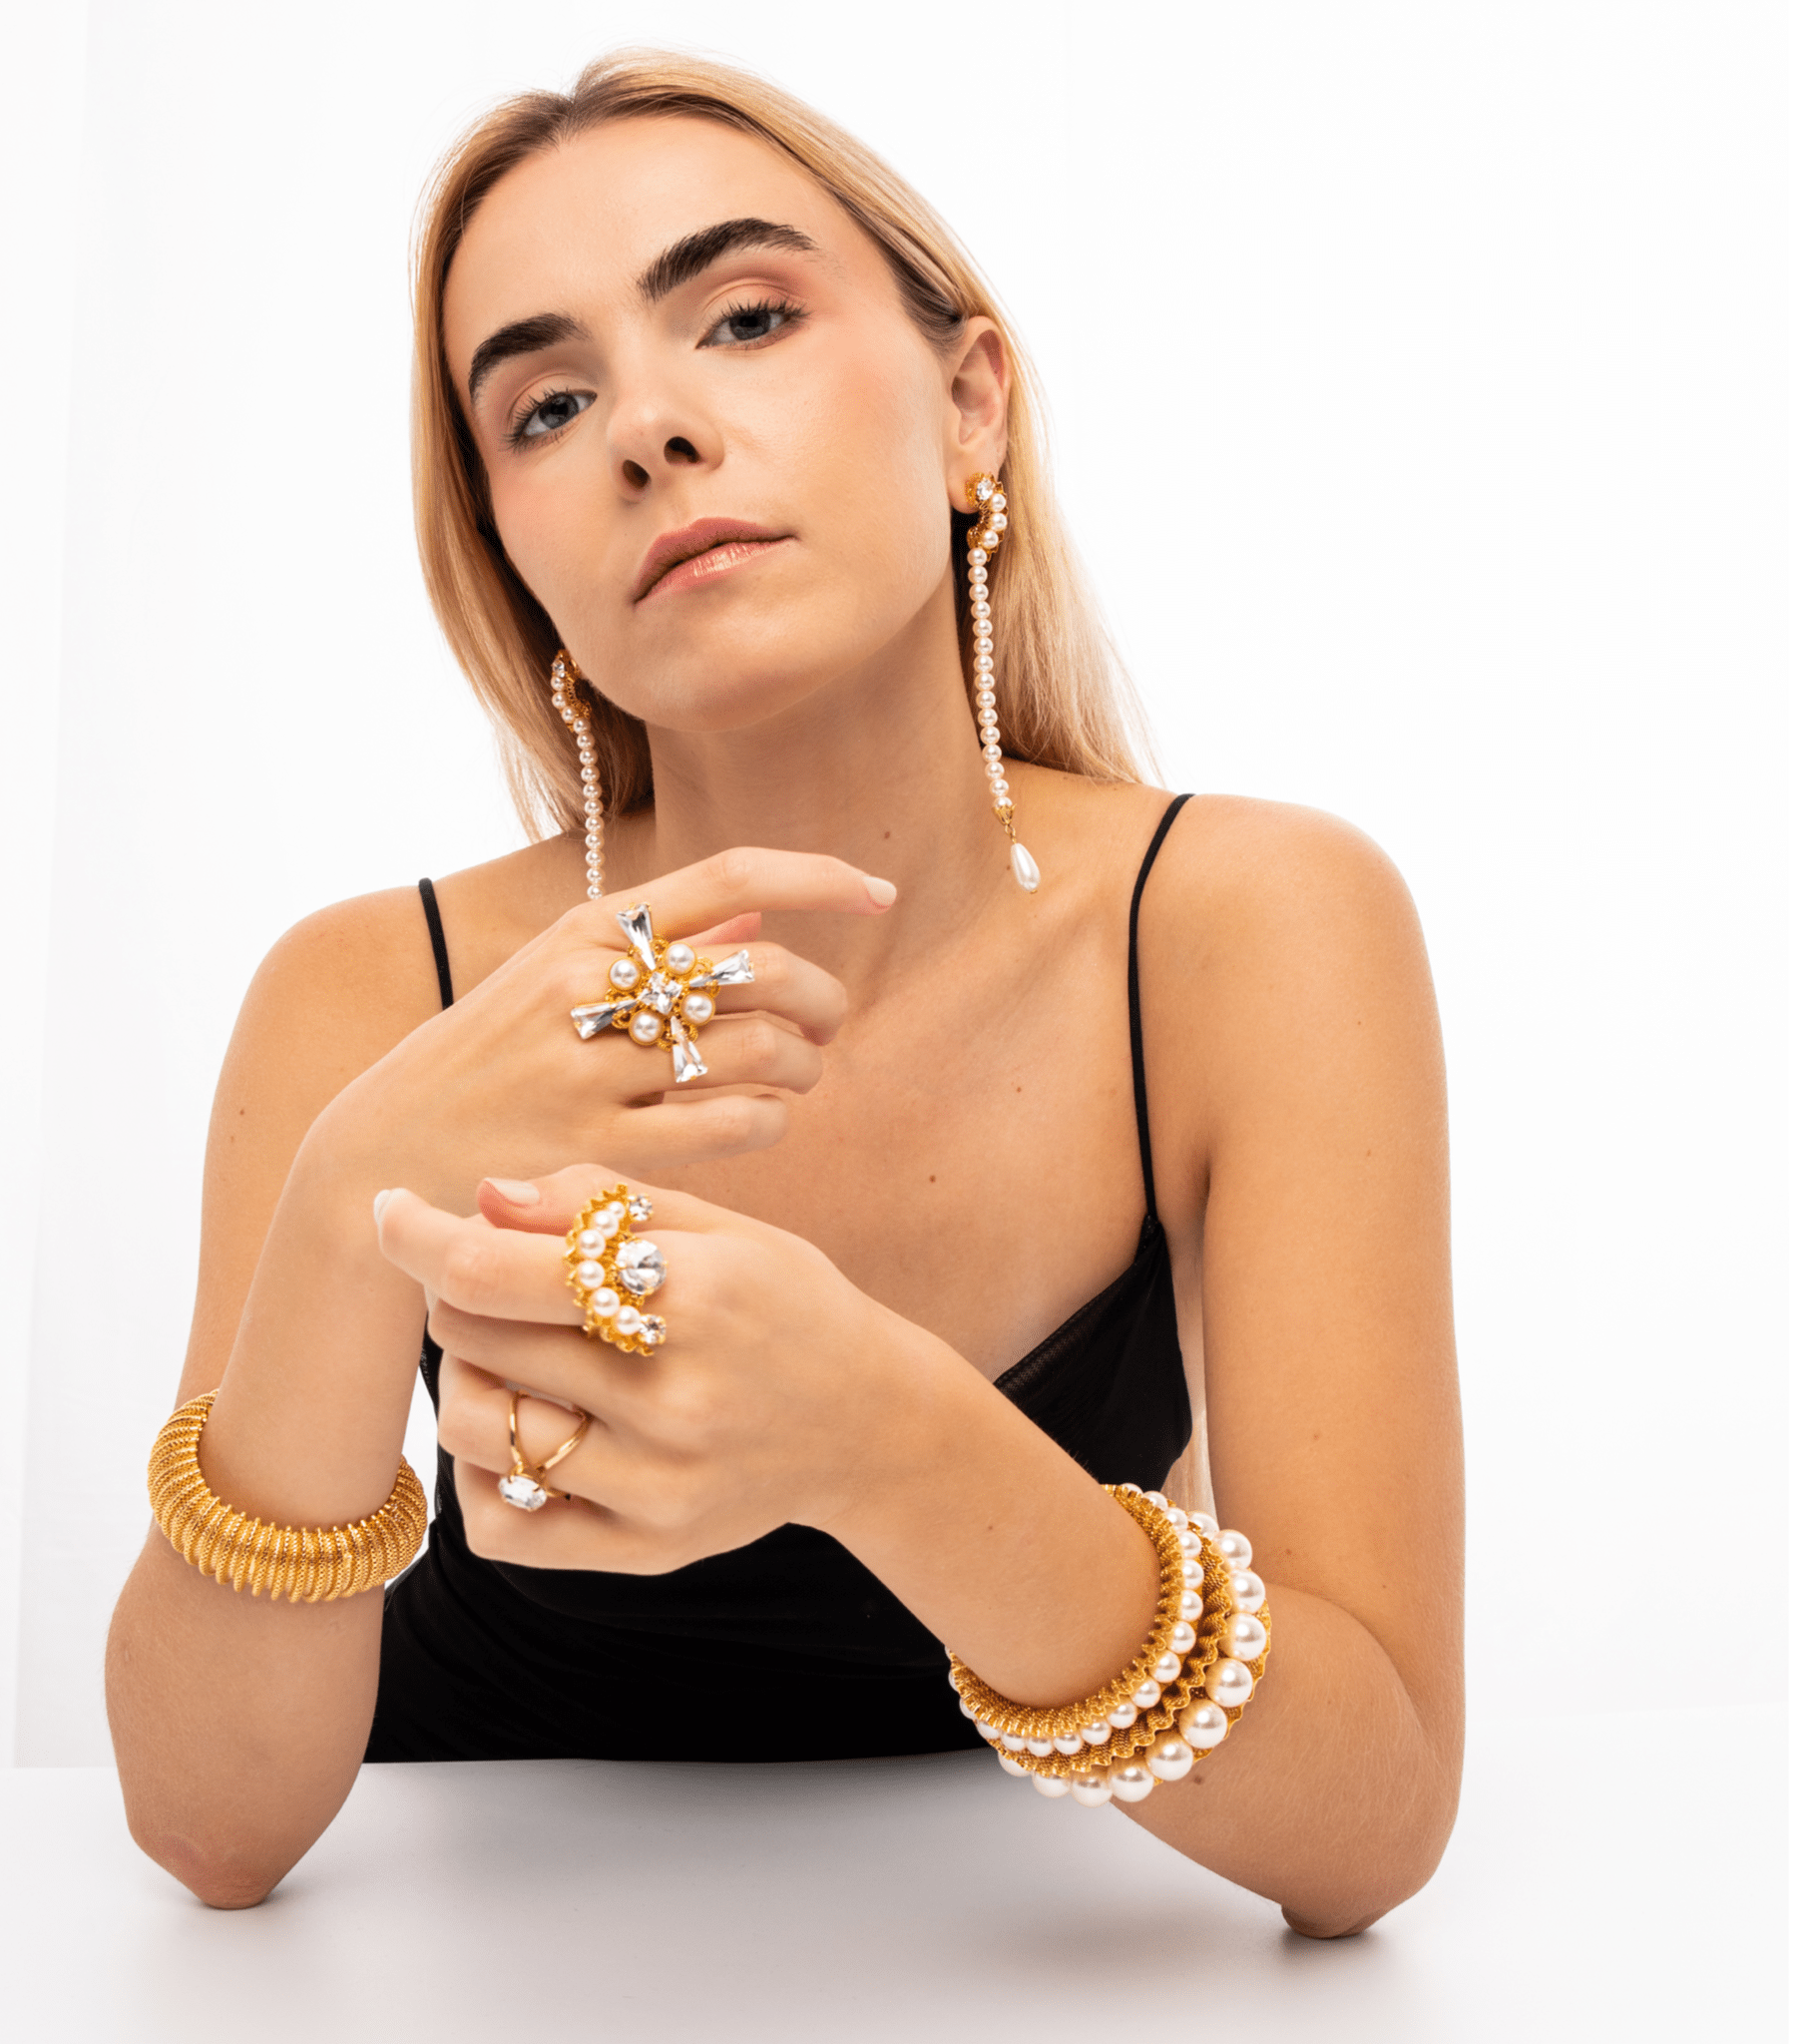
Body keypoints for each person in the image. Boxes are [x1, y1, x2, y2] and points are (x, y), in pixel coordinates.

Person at [106, 51, 1463, 1940]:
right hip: (492, 1961)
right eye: (548, 404)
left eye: (744, 319)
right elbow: (209, 1831)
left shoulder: (1250, 929)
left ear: (970, 406)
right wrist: (347, 1207)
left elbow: (1373, 1819)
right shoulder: (374, 996)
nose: (648, 432)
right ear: (512, 551)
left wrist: (877, 1434)